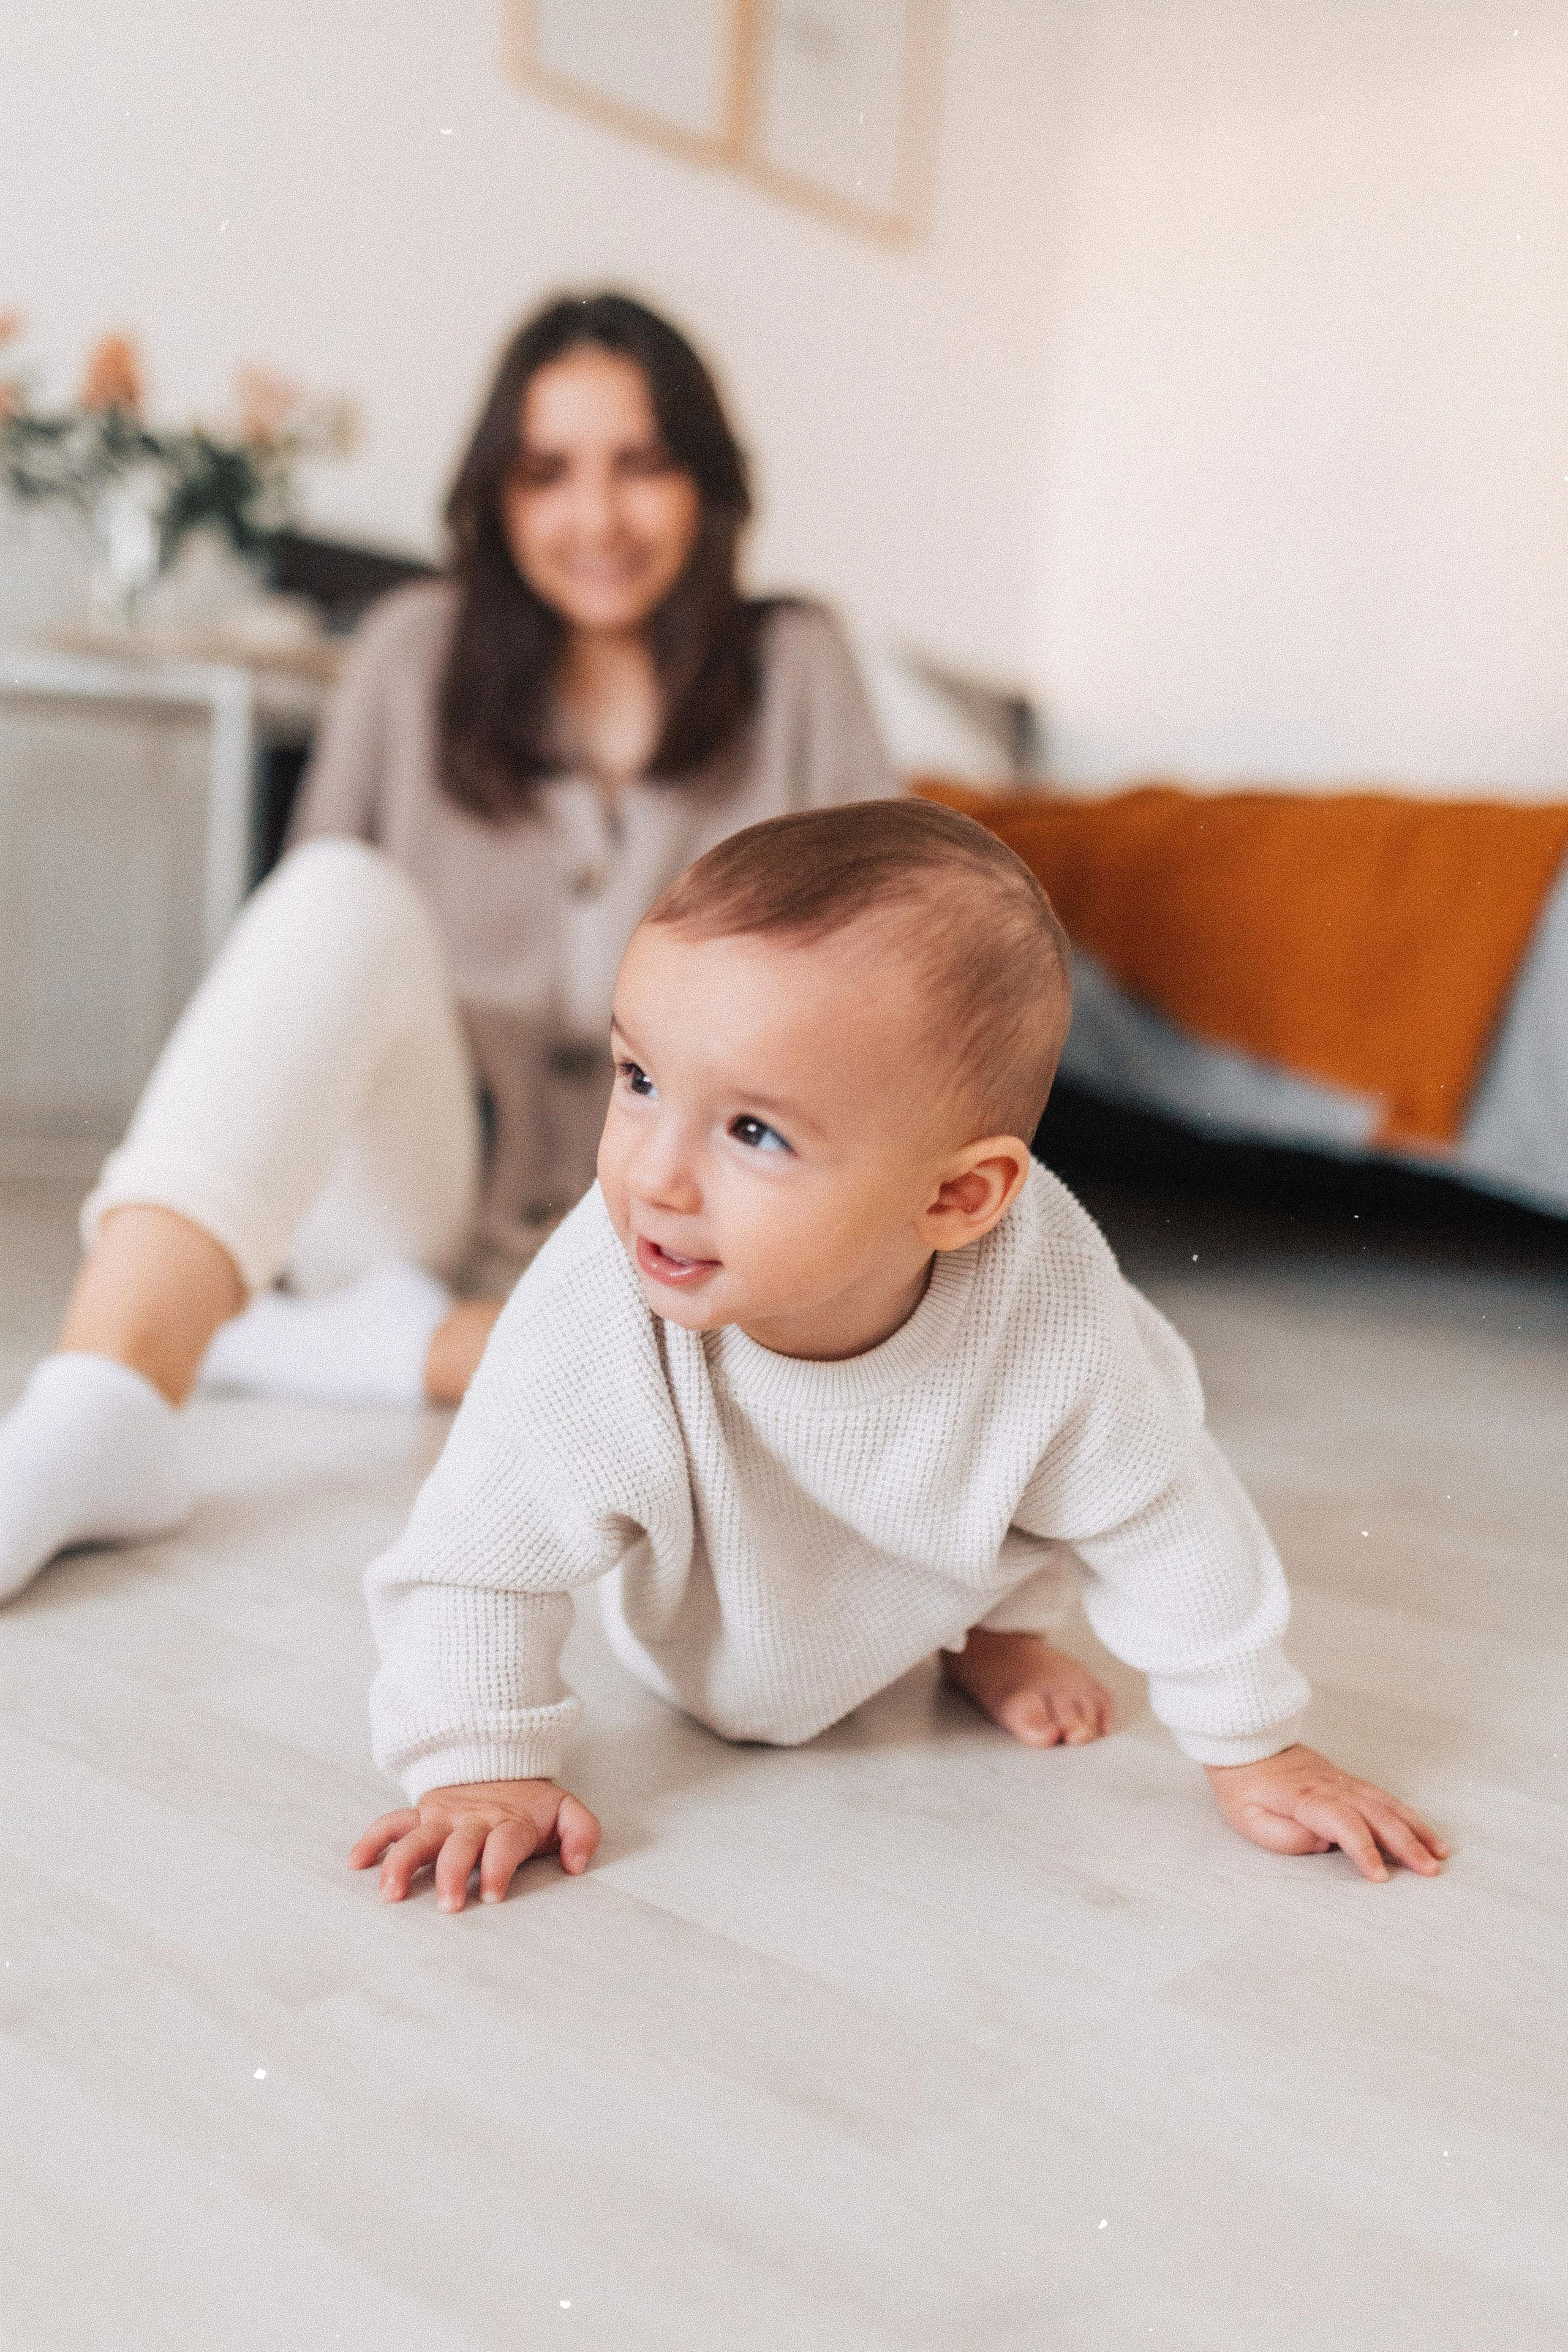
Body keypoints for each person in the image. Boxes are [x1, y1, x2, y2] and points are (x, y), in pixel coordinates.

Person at [350, 802, 1447, 1912]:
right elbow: (476, 1554)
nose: (652, 1177)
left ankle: (989, 1640)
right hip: (699, 1634)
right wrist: (481, 1766)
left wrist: (1256, 1746)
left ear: (958, 1197)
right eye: (639, 1080)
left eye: (753, 1132)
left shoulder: (1050, 1315)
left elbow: (1164, 1517)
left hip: (949, 1565)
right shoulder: (597, 1306)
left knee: (1056, 1484)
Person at [0, 293, 897, 1605]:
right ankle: (99, 1408)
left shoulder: (797, 666)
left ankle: (388, 1346)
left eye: (641, 464)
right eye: (546, 474)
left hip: (681, 1227)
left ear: (707, 485)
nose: (595, 517)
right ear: (496, 496)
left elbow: (885, 981)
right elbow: (313, 965)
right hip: (418, 1193)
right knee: (334, 890)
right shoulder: (411, 650)